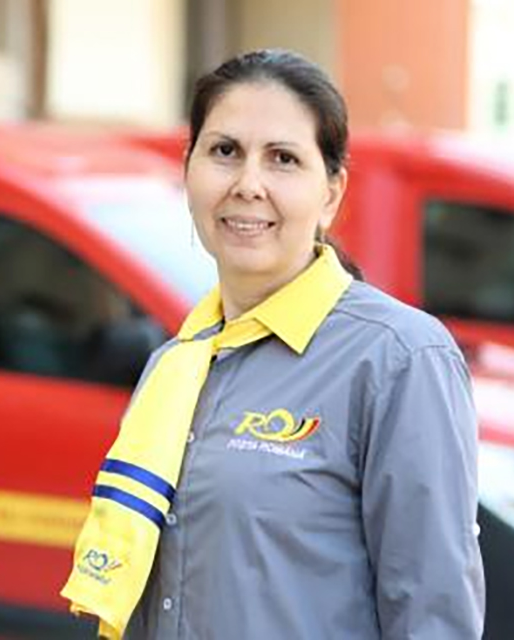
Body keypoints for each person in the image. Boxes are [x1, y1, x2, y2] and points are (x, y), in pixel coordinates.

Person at [62, 49, 485, 640]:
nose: (248, 184)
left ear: (331, 194)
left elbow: (433, 616)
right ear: (188, 171)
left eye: (283, 159)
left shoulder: (398, 359)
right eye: (224, 151)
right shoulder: (177, 363)